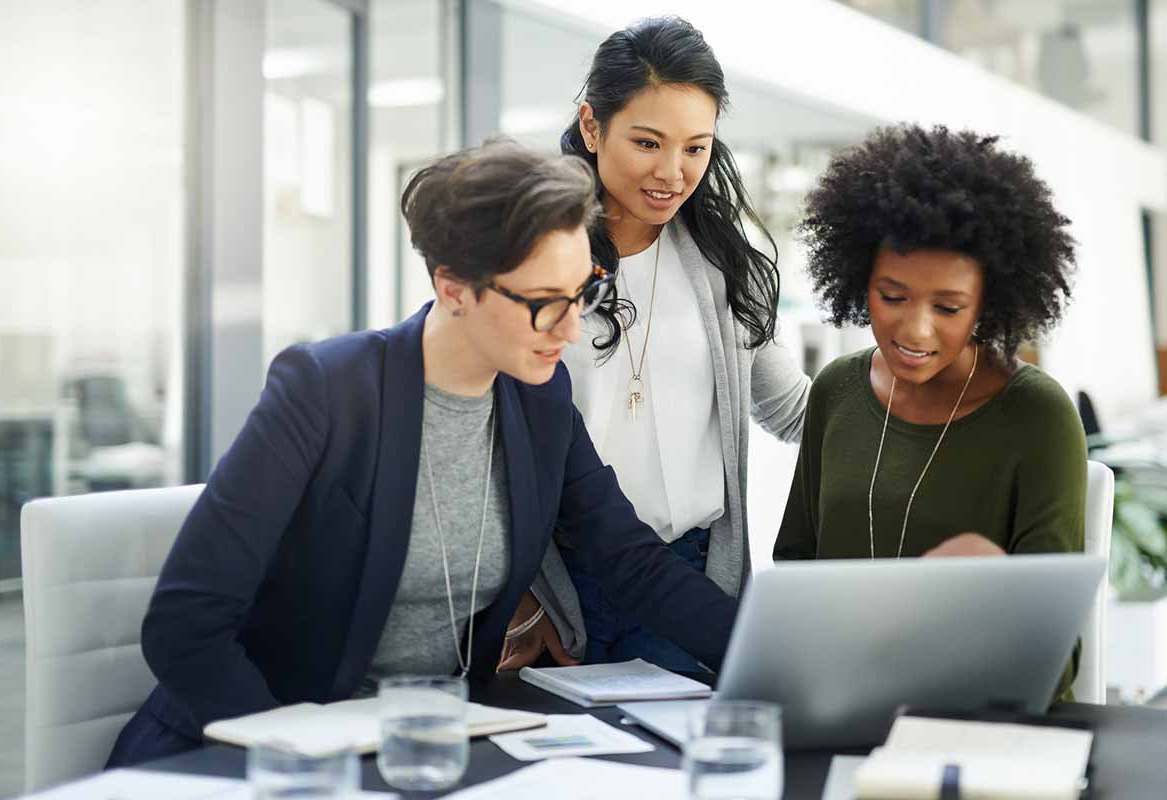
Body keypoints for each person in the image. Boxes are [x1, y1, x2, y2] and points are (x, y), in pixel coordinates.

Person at [105, 140, 739, 767]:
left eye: (584, 294)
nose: (572, 330)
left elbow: (629, 560)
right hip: (262, 754)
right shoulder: (326, 391)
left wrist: (763, 651)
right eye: (546, 304)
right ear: (455, 287)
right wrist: (303, 759)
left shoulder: (538, 401)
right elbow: (185, 627)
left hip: (427, 748)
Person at [498, 16, 810, 673]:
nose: (672, 172)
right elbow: (483, 437)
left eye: (696, 148)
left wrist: (921, 393)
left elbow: (791, 409)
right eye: (647, 142)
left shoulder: (724, 262)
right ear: (591, 127)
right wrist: (521, 596)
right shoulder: (529, 259)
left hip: (692, 578)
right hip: (559, 587)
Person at [773, 123, 1085, 700]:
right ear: (857, 280)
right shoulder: (836, 391)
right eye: (892, 297)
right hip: (841, 702)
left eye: (948, 306)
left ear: (988, 304)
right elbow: (795, 570)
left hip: (980, 720)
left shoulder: (1038, 417)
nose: (915, 330)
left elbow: (1054, 654)